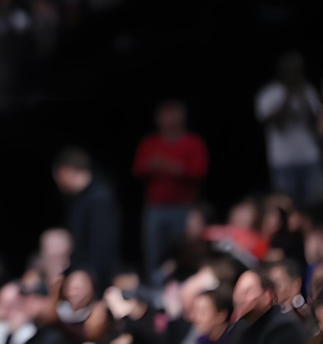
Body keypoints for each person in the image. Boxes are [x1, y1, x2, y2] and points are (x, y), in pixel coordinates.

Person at [133, 100, 209, 278]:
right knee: (154, 252)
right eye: (165, 115)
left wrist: (174, 168)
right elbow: (137, 169)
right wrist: (153, 165)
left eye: (173, 115)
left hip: (184, 208)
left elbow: (200, 171)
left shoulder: (193, 142)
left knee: (183, 251)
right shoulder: (150, 143)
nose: (169, 120)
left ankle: (184, 283)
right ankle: (154, 286)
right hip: (155, 208)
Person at [255, 52, 323, 207]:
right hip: (282, 160)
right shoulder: (270, 92)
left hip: (309, 156)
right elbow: (274, 123)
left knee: (317, 203)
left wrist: (304, 99)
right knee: (286, 205)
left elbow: (317, 122)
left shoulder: (307, 90)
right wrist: (288, 96)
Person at [52, 148, 120, 291]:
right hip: (84, 275)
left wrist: (89, 275)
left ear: (66, 171)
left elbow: (102, 243)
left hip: (93, 280)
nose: (59, 185)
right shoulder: (81, 199)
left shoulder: (99, 197)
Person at [231, 270, 305, 344]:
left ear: (267, 295)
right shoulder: (240, 326)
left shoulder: (285, 327)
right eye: (239, 291)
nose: (240, 298)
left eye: (247, 292)